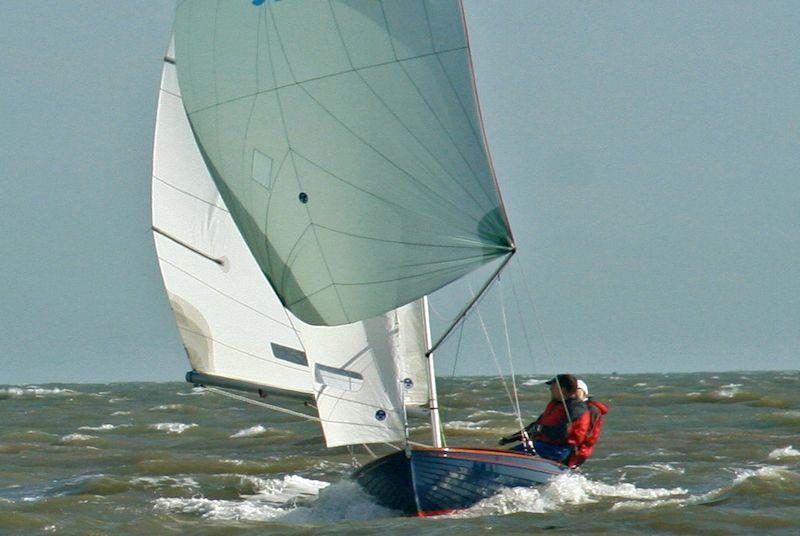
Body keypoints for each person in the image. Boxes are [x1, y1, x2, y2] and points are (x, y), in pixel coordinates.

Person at [498, 374, 590, 465]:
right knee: (513, 452)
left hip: (558, 450)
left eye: (553, 386)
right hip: (544, 446)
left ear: (562, 389)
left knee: (511, 455)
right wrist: (510, 439)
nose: (550, 389)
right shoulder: (556, 405)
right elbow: (535, 426)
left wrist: (541, 429)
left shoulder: (575, 408)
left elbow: (564, 432)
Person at [566, 379, 609, 467]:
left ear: (584, 392)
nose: (573, 393)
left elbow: (587, 434)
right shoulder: (568, 407)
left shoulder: (592, 410)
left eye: (577, 390)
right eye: (571, 390)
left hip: (579, 451)